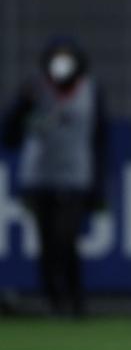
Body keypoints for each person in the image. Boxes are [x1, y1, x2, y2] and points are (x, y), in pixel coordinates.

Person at [1, 35, 107, 317]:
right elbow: (9, 135)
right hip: (39, 177)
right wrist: (24, 106)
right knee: (47, 244)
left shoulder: (90, 90)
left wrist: (99, 186)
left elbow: (100, 139)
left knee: (66, 238)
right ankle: (55, 301)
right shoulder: (34, 88)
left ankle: (75, 301)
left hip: (75, 177)